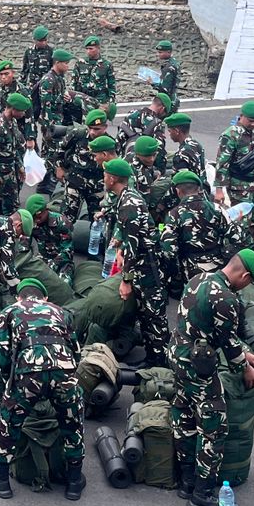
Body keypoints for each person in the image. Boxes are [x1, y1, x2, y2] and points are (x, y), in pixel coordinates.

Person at [171, 249, 254, 506]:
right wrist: (246, 368)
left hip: (178, 355)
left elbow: (210, 328)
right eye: (249, 282)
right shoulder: (226, 298)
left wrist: (242, 352)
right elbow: (229, 342)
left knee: (184, 416)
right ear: (245, 276)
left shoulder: (198, 279)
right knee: (213, 426)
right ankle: (202, 493)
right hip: (198, 366)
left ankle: (187, 481)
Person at [0, 277, 86, 501]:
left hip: (28, 372)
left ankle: (1, 481)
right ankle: (74, 482)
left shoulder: (10, 311)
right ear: (44, 298)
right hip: (64, 369)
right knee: (72, 423)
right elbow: (76, 351)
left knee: (9, 422)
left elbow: (2, 353)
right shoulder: (62, 312)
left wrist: (10, 384)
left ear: (19, 297)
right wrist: (66, 377)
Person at [102, 156, 168, 365]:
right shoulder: (127, 196)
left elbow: (134, 245)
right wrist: (119, 247)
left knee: (153, 314)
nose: (103, 178)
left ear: (112, 179)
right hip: (143, 261)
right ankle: (152, 357)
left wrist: (126, 280)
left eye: (105, 175)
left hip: (147, 265)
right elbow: (127, 233)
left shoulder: (129, 204)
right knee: (146, 311)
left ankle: (159, 361)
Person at [160, 170, 230, 285]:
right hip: (218, 270)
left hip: (190, 273)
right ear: (199, 189)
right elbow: (237, 238)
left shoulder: (174, 214)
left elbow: (169, 250)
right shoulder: (217, 209)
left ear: (177, 191)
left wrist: (175, 274)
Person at [214, 101, 254, 251]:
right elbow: (222, 163)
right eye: (251, 121)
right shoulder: (231, 135)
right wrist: (219, 190)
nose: (253, 124)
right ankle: (241, 251)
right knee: (241, 220)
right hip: (238, 184)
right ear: (241, 116)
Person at [33, 50, 76, 153]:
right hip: (52, 123)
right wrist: (49, 127)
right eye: (66, 63)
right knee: (51, 153)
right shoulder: (48, 80)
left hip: (59, 120)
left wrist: (65, 98)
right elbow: (45, 106)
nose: (68, 66)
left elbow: (57, 98)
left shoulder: (59, 78)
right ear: (57, 63)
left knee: (58, 152)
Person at [73, 36, 116, 116]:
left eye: (91, 49)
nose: (88, 51)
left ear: (98, 48)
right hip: (84, 99)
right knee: (84, 122)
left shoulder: (106, 65)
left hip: (100, 99)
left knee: (98, 121)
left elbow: (111, 85)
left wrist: (110, 103)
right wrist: (74, 99)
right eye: (87, 49)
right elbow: (74, 83)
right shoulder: (80, 63)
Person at [164, 112, 206, 182]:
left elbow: (182, 181)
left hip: (190, 187)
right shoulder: (196, 144)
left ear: (177, 131)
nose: (169, 134)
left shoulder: (181, 155)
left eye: (170, 131)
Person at [20, 27, 54, 93]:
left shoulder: (51, 52)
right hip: (32, 86)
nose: (43, 43)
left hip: (46, 87)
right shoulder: (29, 52)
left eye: (45, 40)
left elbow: (55, 71)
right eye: (41, 41)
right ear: (35, 40)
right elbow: (24, 70)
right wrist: (21, 87)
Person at [152, 40, 181, 112]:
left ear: (168, 52)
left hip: (167, 101)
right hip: (173, 97)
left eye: (160, 52)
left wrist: (152, 83)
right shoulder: (174, 62)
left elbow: (164, 88)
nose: (157, 54)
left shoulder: (169, 67)